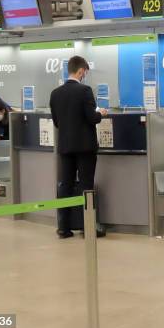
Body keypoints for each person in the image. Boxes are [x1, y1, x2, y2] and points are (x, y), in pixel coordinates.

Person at [50, 56, 108, 239]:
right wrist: (101, 114)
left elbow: (57, 122)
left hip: (65, 147)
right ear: (81, 71)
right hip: (85, 148)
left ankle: (63, 228)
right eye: (85, 73)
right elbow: (91, 118)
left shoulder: (55, 93)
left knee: (65, 186)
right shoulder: (85, 91)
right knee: (86, 186)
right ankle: (87, 226)